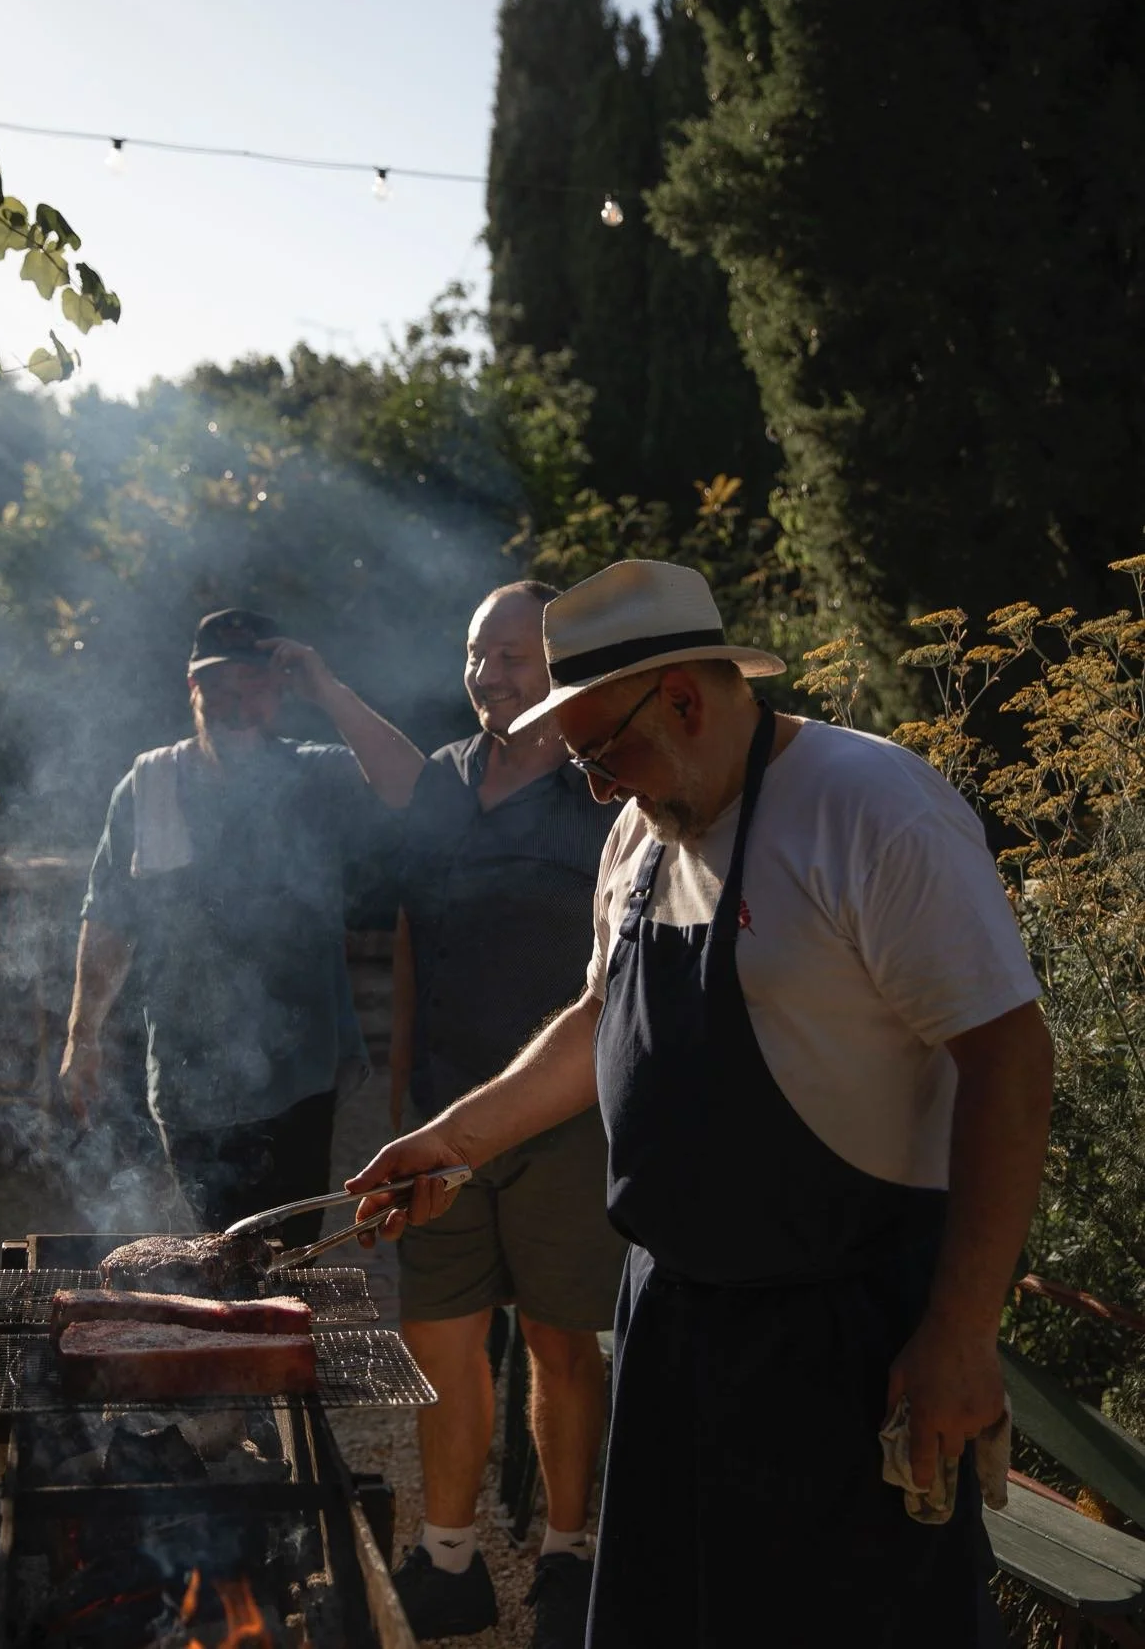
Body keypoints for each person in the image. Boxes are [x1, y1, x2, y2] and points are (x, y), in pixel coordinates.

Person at [349, 559, 1053, 1648]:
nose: (590, 787)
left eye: (599, 751)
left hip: (847, 1340)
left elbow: (1009, 1057)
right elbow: (600, 1018)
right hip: (673, 1322)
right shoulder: (641, 832)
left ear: (683, 695)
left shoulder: (872, 811)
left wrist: (962, 1331)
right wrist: (455, 1137)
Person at [389, 582, 625, 1648]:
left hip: (568, 1119)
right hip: (444, 1114)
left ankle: (569, 1560)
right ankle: (448, 1561)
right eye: (478, 653)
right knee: (438, 1335)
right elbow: (410, 936)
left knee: (561, 1340)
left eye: (516, 657)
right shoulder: (442, 779)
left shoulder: (604, 788)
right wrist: (406, 1079)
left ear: (563, 665)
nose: (492, 675)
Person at [60, 607, 422, 1243]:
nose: (236, 699)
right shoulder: (150, 787)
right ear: (192, 688)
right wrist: (80, 1035)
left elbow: (415, 788)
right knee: (218, 1253)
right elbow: (109, 917)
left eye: (253, 682)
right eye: (219, 683)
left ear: (281, 689)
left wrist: (329, 688)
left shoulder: (317, 773)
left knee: (288, 1261)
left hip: (299, 1069)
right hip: (187, 1069)